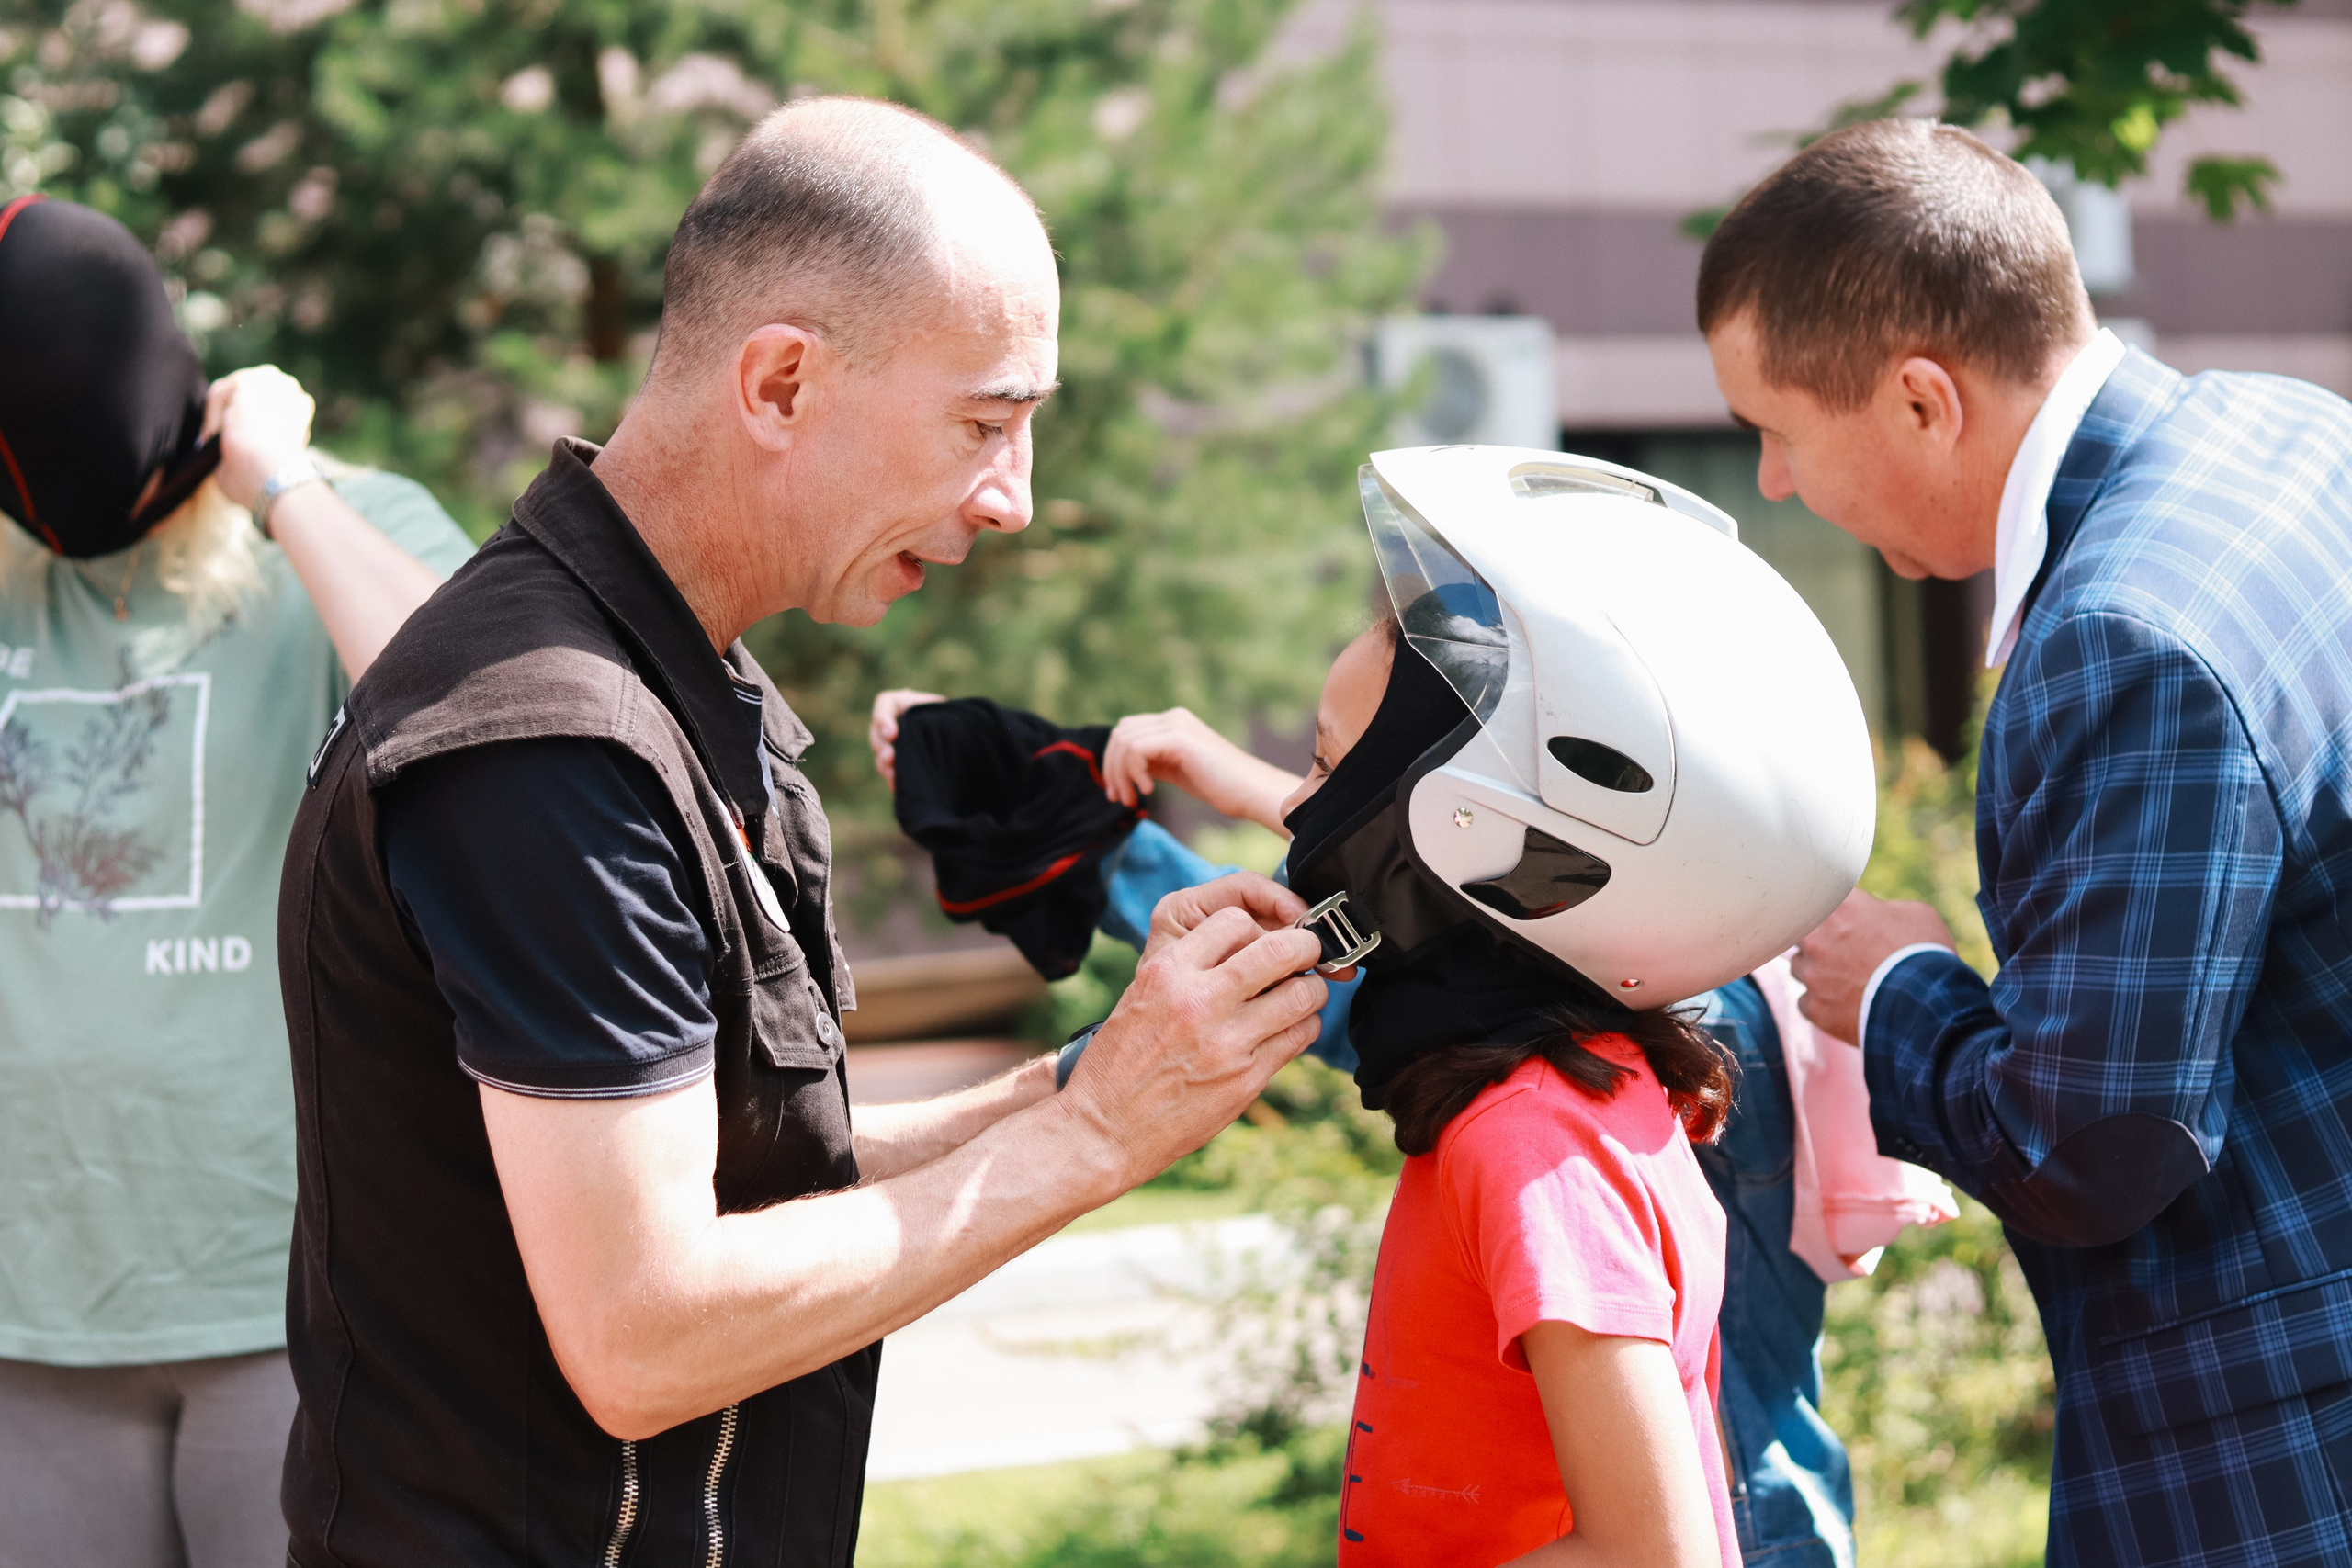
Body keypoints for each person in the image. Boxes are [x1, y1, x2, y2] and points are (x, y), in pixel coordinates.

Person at [276, 96, 1329, 1568]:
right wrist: (1093, 1136)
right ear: (779, 383)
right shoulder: (543, 743)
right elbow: (644, 1329)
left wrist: (1079, 1077)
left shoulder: (680, 679)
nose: (1014, 498)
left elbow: (757, 1163)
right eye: (988, 420)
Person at [884, 445, 1883, 1563]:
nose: (1296, 813)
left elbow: (1656, 1556)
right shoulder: (1572, 1089)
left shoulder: (1533, 1142)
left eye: (1322, 774)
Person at [1701, 118, 2352, 1566]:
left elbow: (2096, 1147)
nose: (1775, 485)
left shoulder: (2121, 636)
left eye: (1779, 428)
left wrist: (1900, 988)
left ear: (1925, 402)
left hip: (2276, 1454)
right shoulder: (2287, 427)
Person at [0, 196, 469, 1568]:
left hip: (305, 1297)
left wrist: (282, 487)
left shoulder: (342, 528)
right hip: (31, 1309)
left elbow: (498, 716)